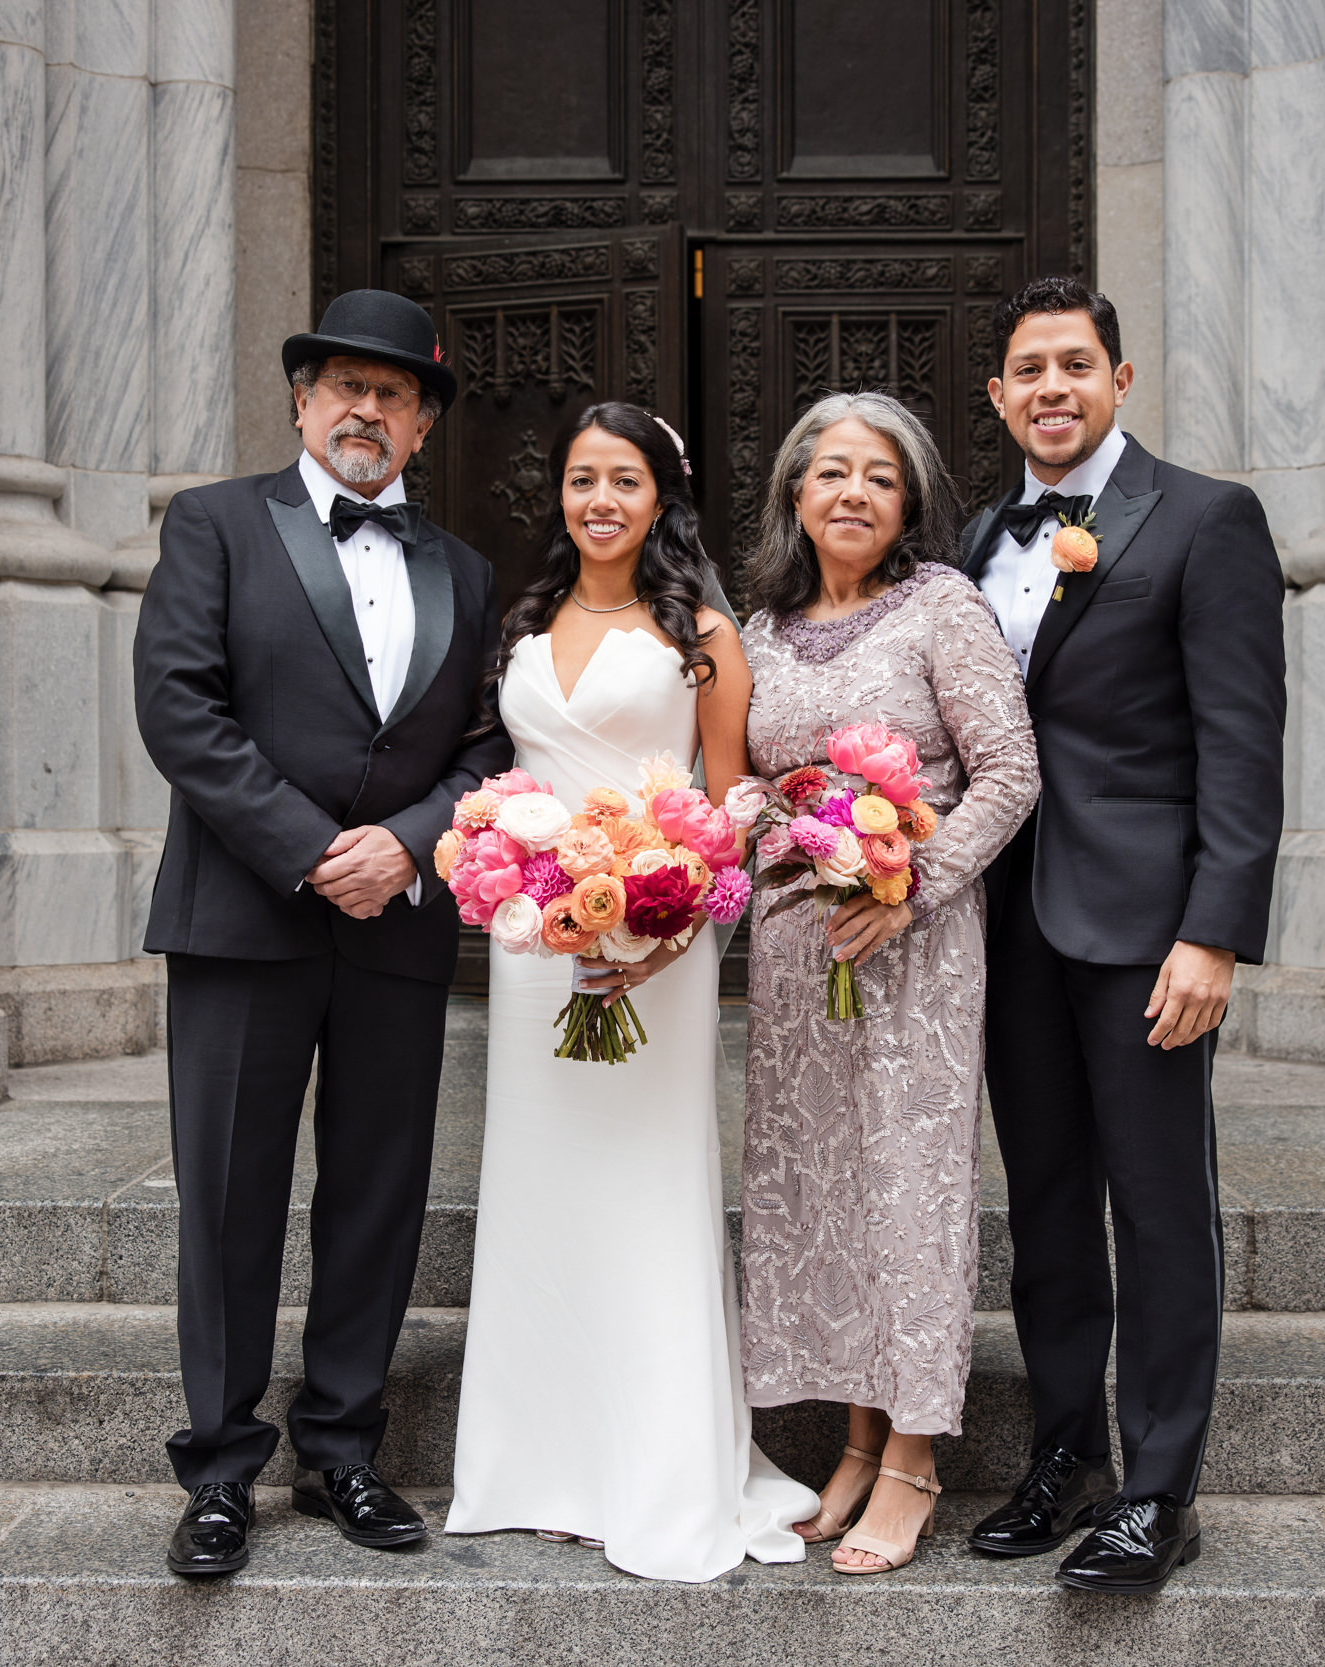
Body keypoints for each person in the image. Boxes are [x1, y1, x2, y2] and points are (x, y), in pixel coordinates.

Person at [134, 289, 513, 1578]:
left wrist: (406, 843)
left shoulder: (465, 570)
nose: (367, 407)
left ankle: (344, 1446)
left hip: (399, 928)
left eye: (393, 392)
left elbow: (489, 745)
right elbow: (182, 710)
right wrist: (311, 852)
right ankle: (223, 1464)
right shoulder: (216, 524)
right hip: (245, 920)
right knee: (231, 1197)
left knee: (376, 1195)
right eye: (344, 384)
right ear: (301, 401)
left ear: (419, 424)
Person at [443, 402, 820, 1582]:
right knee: (543, 1185)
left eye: (623, 480)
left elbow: (736, 798)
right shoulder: (524, 618)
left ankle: (656, 1465)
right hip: (534, 946)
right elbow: (508, 777)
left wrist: (669, 923)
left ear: (662, 497)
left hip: (652, 946)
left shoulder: (701, 633)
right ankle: (547, 1458)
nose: (598, 499)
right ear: (557, 495)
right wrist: (496, 854)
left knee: (645, 1191)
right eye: (579, 479)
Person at [962, 277, 1284, 1594]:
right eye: (1027, 368)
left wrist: (1214, 931)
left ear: (1120, 378)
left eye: (1074, 365)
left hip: (1147, 928)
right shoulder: (981, 533)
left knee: (1158, 1206)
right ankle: (1065, 1455)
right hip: (1010, 921)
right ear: (997, 395)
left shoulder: (1205, 518)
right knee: (1045, 1206)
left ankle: (1159, 1488)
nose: (1051, 387)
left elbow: (1242, 744)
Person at [735, 391, 1039, 1576]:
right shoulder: (757, 630)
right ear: (795, 497)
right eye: (830, 472)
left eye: (878, 474)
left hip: (916, 943)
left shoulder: (942, 609)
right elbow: (746, 789)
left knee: (908, 1187)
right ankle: (854, 1441)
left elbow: (1008, 773)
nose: (852, 491)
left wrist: (913, 880)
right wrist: (777, 829)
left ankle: (913, 1456)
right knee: (821, 1187)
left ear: (908, 500)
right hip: (800, 955)